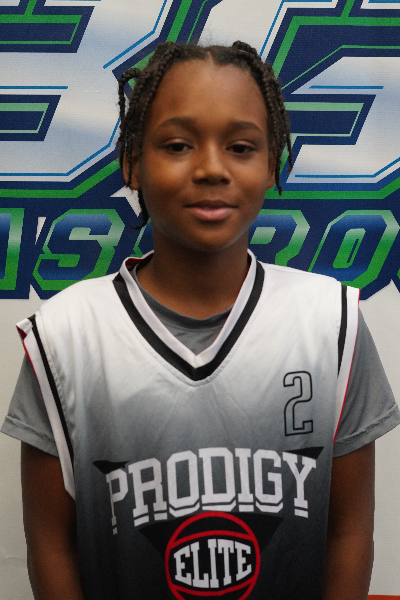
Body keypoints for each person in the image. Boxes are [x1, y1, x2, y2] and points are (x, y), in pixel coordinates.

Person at [2, 41, 399, 600]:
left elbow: (349, 532)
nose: (212, 168)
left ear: (271, 164)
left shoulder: (331, 324)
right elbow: (51, 546)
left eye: (240, 147)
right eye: (178, 145)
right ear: (132, 163)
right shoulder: (65, 337)